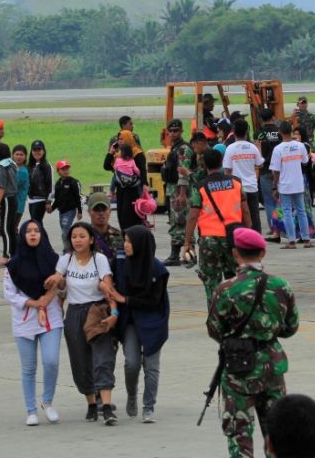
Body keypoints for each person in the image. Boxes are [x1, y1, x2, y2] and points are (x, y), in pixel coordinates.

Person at [207, 227, 299, 458]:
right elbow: (291, 327)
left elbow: (215, 329)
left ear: (235, 253)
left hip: (239, 369)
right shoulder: (281, 286)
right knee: (277, 435)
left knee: (239, 435)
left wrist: (238, 337)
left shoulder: (225, 289)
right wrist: (266, 332)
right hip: (272, 367)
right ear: (263, 253)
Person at [48, 222, 118, 425]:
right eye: (74, 237)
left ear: (91, 239)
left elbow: (108, 287)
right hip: (74, 313)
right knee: (80, 361)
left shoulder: (99, 259)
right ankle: (91, 404)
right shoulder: (65, 260)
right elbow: (59, 281)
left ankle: (106, 407)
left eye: (82, 236)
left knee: (102, 358)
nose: (77, 240)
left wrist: (114, 312)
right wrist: (57, 280)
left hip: (96, 311)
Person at [106, 225, 169, 423]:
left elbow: (154, 301)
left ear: (141, 244)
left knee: (151, 366)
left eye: (129, 241)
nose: (125, 245)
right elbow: (108, 281)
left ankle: (149, 407)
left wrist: (125, 300)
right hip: (131, 321)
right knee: (132, 363)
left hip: (153, 320)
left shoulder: (158, 270)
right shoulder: (120, 262)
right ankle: (132, 393)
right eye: (124, 240)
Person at [3, 220, 63, 426]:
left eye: (37, 231)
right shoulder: (13, 265)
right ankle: (31, 410)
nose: (33, 234)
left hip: (51, 317)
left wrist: (54, 288)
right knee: (28, 367)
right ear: (22, 236)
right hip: (25, 319)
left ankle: (47, 401)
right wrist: (33, 303)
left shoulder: (55, 261)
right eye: (28, 231)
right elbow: (9, 294)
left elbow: (64, 286)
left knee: (51, 361)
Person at [184, 149, 251, 305]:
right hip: (234, 238)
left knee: (212, 283)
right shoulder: (236, 183)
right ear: (221, 162)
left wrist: (187, 242)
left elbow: (193, 216)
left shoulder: (200, 187)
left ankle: (216, 315)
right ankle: (237, 314)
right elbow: (246, 211)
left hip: (209, 240)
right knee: (236, 280)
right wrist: (247, 233)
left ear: (204, 165)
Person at [270, 122, 313, 250]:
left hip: (285, 185)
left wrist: (274, 186)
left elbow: (276, 171)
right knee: (301, 211)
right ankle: (306, 239)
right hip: (298, 183)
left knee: (287, 212)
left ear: (280, 132)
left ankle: (292, 241)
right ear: (291, 131)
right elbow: (305, 162)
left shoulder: (278, 149)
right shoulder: (300, 146)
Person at [223, 119, 264, 233]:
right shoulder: (252, 147)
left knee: (239, 217)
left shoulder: (230, 148)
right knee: (254, 216)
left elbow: (227, 170)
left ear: (233, 131)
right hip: (252, 187)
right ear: (247, 131)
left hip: (237, 189)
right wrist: (259, 149)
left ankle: (242, 239)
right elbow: (260, 164)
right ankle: (256, 239)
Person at [162, 119, 194, 266]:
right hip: (173, 189)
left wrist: (181, 194)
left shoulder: (183, 149)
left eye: (176, 131)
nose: (173, 133)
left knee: (180, 222)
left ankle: (177, 255)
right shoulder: (175, 148)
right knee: (176, 221)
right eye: (171, 131)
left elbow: (183, 173)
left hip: (180, 190)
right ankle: (187, 255)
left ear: (181, 131)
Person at [104, 130, 148, 231]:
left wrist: (144, 185)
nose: (119, 141)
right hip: (121, 190)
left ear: (128, 139)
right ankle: (125, 237)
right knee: (121, 215)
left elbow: (142, 171)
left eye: (122, 139)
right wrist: (110, 152)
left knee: (131, 215)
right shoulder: (119, 156)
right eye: (118, 139)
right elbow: (106, 166)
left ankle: (135, 236)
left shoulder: (137, 153)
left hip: (133, 190)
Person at [254, 109, 283, 235]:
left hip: (265, 169)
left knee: (269, 201)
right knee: (281, 200)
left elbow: (257, 153)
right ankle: (282, 226)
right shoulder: (280, 132)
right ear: (273, 117)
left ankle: (273, 228)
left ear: (261, 119)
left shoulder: (258, 134)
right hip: (280, 170)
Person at [0, 144, 18, 266]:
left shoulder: (2, 166)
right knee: (11, 228)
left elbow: (1, 187)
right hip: (14, 198)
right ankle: (14, 254)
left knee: (5, 229)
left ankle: (6, 255)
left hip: (7, 199)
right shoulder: (12, 163)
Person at [49, 160, 82, 253]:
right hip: (62, 211)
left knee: (65, 231)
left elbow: (77, 197)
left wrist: (79, 211)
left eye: (67, 169)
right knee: (64, 229)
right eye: (63, 169)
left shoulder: (73, 182)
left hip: (70, 210)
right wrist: (52, 208)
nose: (65, 171)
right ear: (58, 171)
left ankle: (68, 249)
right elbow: (58, 199)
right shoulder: (58, 183)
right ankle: (69, 247)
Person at [86, 192, 124, 269]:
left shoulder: (119, 235)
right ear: (89, 212)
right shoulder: (83, 236)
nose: (101, 213)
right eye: (96, 209)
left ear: (110, 211)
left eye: (104, 209)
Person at [27, 140, 54, 225]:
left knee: (36, 223)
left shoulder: (47, 166)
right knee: (35, 223)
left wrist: (48, 201)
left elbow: (51, 185)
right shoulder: (30, 166)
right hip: (31, 199)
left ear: (43, 151)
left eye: (39, 150)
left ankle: (42, 234)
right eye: (34, 150)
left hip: (41, 199)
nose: (37, 152)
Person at [13, 145, 30, 233]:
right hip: (15, 203)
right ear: (12, 155)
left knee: (13, 227)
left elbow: (14, 185)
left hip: (18, 203)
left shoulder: (23, 171)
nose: (19, 157)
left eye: (21, 155)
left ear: (25, 157)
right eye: (17, 154)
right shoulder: (14, 168)